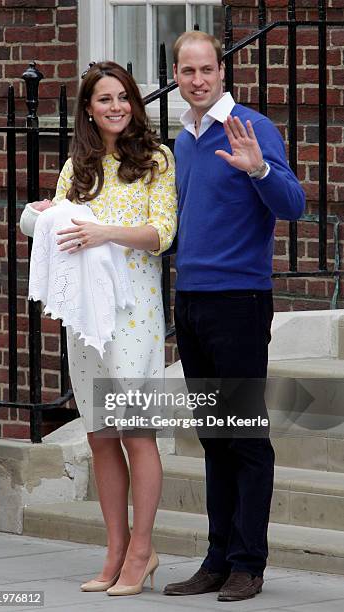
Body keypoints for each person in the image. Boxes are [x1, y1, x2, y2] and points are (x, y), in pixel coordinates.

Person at [20, 61, 177, 596]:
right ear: (88, 108)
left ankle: (142, 550)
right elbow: (58, 231)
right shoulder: (75, 167)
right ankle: (113, 550)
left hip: (135, 313)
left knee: (135, 431)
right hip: (88, 318)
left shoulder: (156, 159)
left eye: (123, 97)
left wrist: (103, 231)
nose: (115, 107)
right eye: (104, 99)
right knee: (100, 435)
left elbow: (163, 234)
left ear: (134, 102)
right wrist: (45, 215)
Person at [163, 31, 305, 602]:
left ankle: (249, 562)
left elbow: (293, 205)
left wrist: (259, 171)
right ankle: (217, 559)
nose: (197, 80)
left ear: (221, 72)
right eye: (186, 70)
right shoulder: (183, 139)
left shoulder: (251, 128)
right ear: (176, 75)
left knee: (244, 436)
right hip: (191, 300)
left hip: (240, 301)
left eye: (206, 69)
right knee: (213, 437)